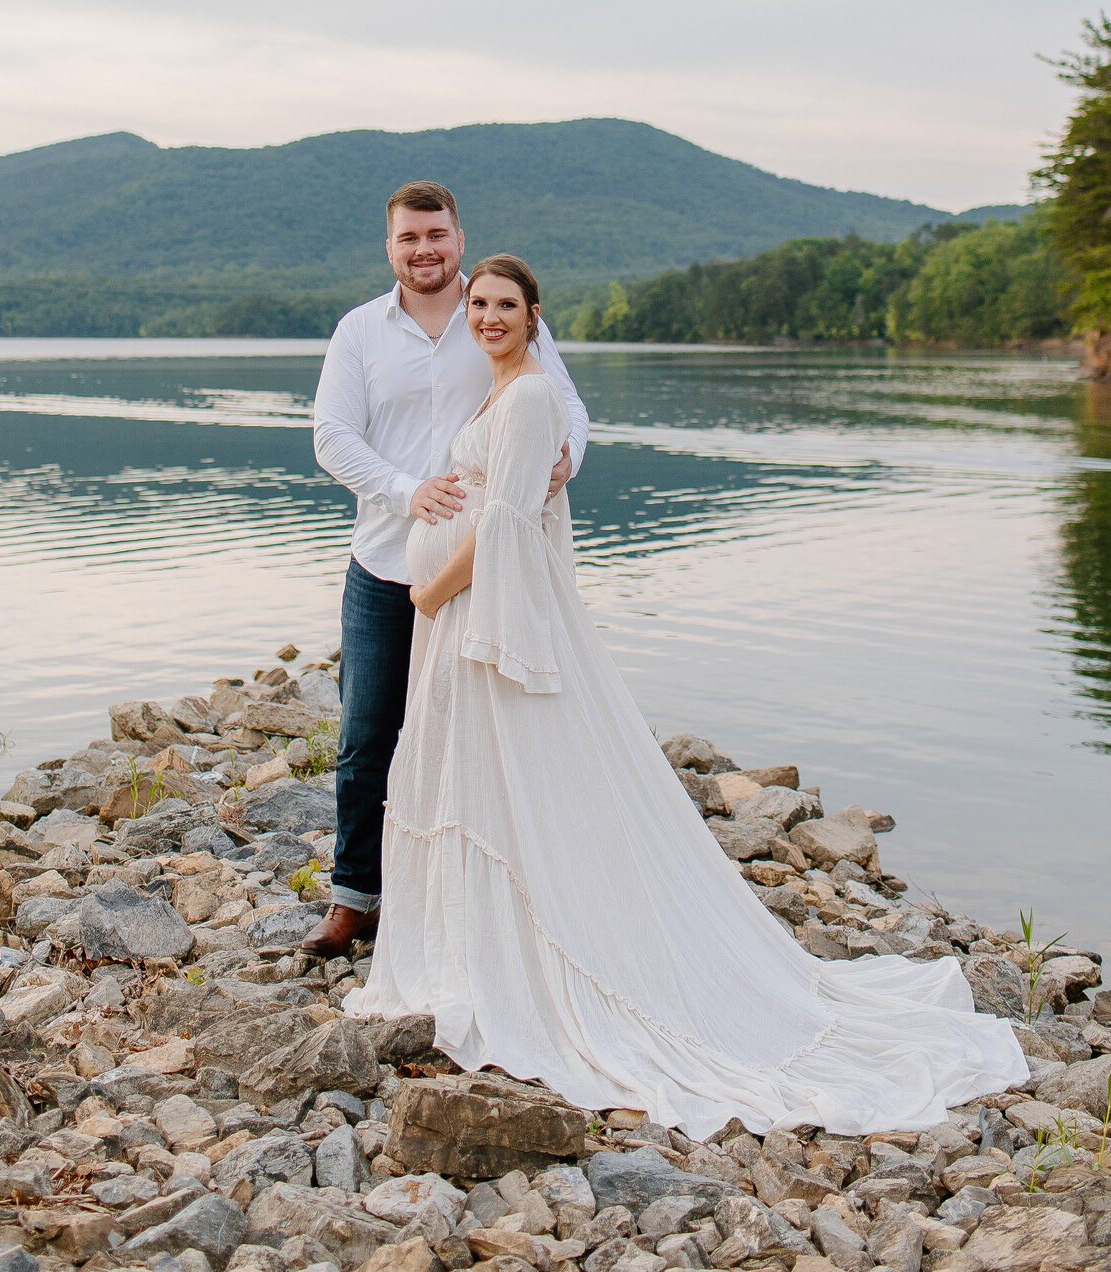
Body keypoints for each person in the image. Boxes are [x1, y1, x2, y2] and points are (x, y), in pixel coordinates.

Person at [344, 252, 1028, 1136]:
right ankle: (472, 950)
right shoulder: (499, 389)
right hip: (469, 620)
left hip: (479, 619)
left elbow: (510, 524)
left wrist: (428, 593)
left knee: (513, 781)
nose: (486, 316)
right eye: (478, 303)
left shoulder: (533, 397)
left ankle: (542, 966)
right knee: (474, 784)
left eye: (504, 304)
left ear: (535, 313)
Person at [302, 186, 588, 957]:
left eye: (436, 234)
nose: (423, 249)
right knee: (367, 736)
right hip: (384, 565)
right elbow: (330, 434)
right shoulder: (360, 332)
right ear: (389, 247)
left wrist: (564, 462)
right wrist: (405, 488)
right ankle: (354, 899)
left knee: (474, 735)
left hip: (479, 577)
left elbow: (563, 406)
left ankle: (465, 902)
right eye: (408, 238)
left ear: (459, 237)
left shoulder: (494, 310)